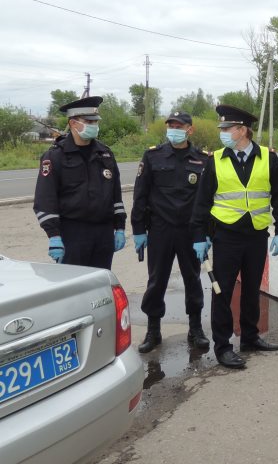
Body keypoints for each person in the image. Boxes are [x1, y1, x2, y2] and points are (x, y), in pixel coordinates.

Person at [190, 105, 278, 369]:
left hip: (257, 234)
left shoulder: (269, 158)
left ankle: (250, 336)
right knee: (222, 292)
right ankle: (223, 346)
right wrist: (199, 235)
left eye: (226, 128)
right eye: (222, 128)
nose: (222, 133)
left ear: (242, 130)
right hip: (226, 236)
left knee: (251, 289)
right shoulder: (216, 159)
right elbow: (202, 202)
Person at [132, 112, 210, 353]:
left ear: (190, 130)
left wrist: (205, 234)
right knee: (156, 281)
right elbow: (140, 195)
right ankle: (153, 330)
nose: (173, 129)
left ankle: (195, 329)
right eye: (170, 125)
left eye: (179, 126)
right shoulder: (153, 156)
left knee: (193, 280)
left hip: (190, 232)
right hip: (160, 230)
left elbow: (207, 200)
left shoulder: (202, 160)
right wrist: (138, 230)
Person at [33, 96, 126, 269]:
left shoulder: (105, 154)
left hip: (103, 233)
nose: (94, 125)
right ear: (73, 123)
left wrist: (120, 227)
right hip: (73, 233)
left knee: (99, 285)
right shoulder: (55, 156)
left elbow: (116, 195)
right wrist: (53, 235)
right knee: (73, 287)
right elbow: (45, 199)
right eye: (89, 121)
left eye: (95, 121)